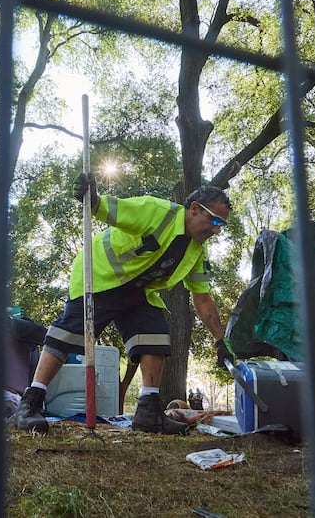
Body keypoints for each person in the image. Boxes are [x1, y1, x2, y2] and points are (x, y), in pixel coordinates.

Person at [12, 172, 232, 435]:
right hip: (99, 275)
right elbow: (105, 209)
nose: (217, 230)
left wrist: (221, 340)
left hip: (138, 290)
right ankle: (30, 403)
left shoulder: (197, 251)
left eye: (222, 225)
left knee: (155, 338)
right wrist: (91, 197)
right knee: (68, 335)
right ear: (195, 209)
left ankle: (148, 412)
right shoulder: (155, 211)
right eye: (215, 220)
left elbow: (203, 298)